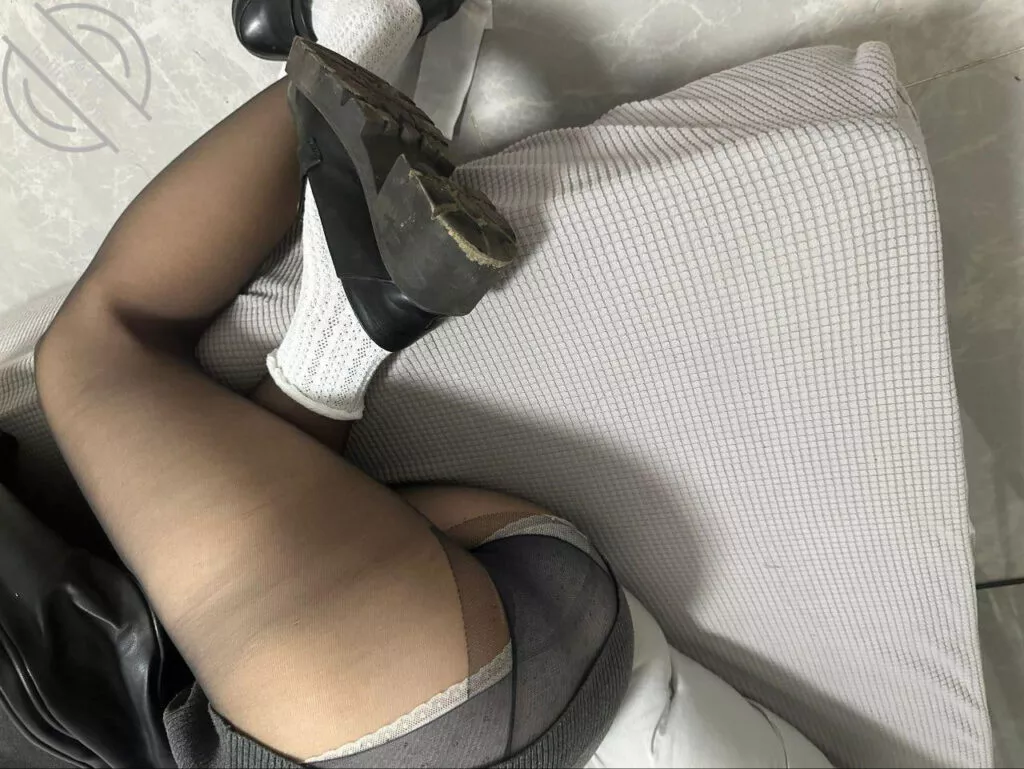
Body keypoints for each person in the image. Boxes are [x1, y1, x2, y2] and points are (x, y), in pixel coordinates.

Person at [13, 0, 841, 765]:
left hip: (577, 636)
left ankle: (352, 315)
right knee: (99, 350)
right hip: (388, 697)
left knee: (248, 475)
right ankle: (367, 24)